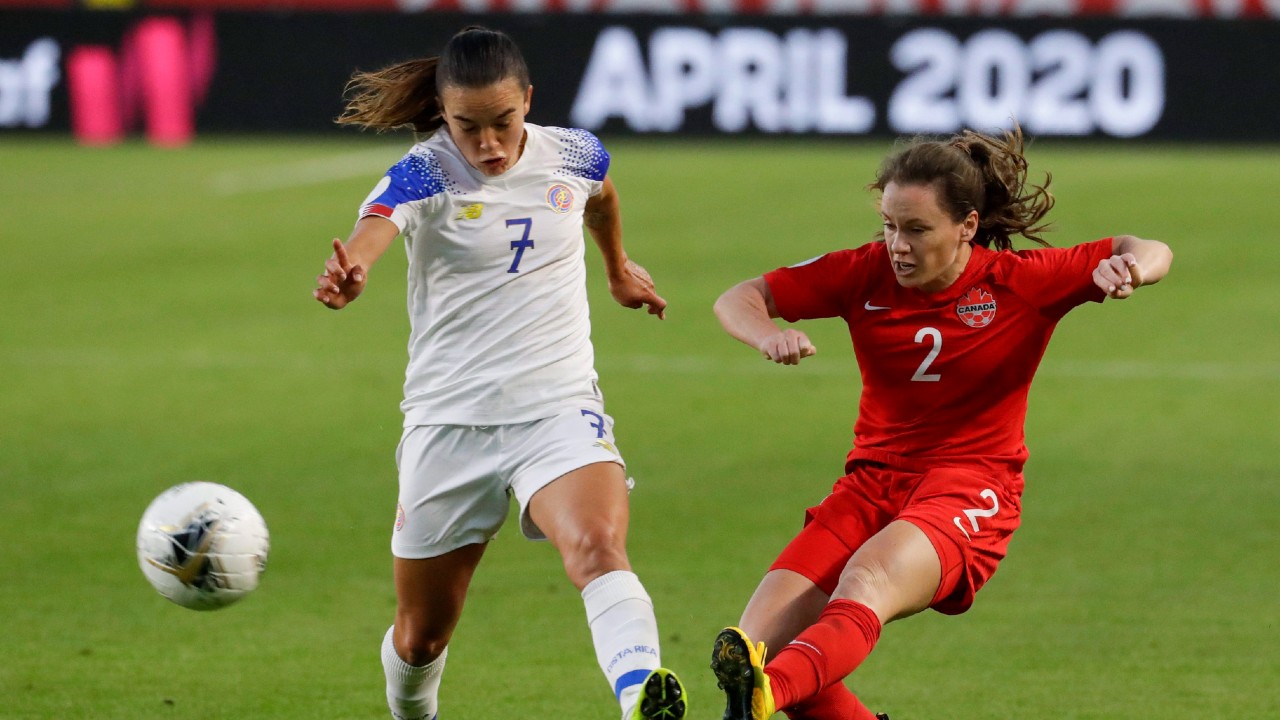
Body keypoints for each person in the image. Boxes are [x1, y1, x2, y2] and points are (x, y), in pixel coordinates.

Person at [707, 126, 1173, 720]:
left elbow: (1149, 246)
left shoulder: (1019, 282)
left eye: (917, 229)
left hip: (971, 485)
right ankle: (766, 689)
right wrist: (767, 335)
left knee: (865, 584)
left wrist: (1131, 267)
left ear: (968, 227)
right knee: (760, 647)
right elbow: (740, 297)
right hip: (872, 482)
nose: (897, 245)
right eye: (889, 225)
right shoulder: (863, 272)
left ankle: (759, 700)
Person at [312, 26, 686, 720]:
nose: (487, 143)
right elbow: (376, 225)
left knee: (598, 546)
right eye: (468, 126)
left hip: (557, 406)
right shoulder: (426, 171)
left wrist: (616, 269)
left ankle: (641, 697)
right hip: (449, 422)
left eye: (503, 123)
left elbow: (600, 196)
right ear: (444, 116)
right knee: (420, 637)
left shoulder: (574, 151)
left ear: (528, 102)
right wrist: (355, 268)